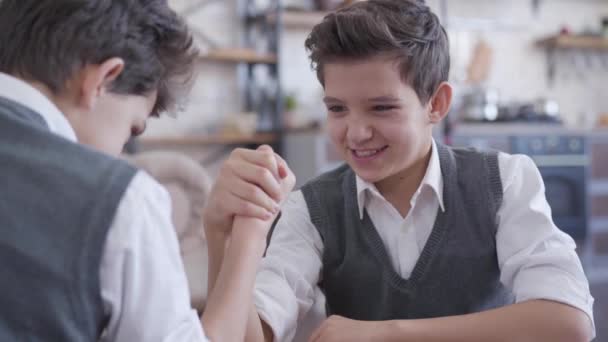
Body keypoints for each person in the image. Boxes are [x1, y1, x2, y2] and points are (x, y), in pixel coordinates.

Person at [203, 0, 596, 341]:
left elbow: (568, 322)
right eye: (337, 108)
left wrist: (386, 333)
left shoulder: (504, 180)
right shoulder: (311, 208)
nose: (355, 132)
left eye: (381, 107)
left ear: (436, 104)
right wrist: (228, 234)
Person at [0, 1, 294, 341]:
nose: (120, 152)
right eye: (131, 128)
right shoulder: (119, 199)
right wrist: (249, 234)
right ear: (102, 80)